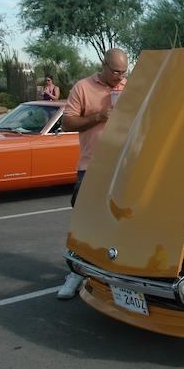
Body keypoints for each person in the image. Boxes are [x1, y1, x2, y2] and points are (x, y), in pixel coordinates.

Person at [57, 47, 128, 300]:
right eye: (116, 72)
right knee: (85, 221)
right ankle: (76, 272)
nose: (120, 77)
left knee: (122, 221)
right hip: (92, 166)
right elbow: (67, 123)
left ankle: (120, 274)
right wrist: (98, 116)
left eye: (124, 72)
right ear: (104, 65)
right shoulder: (83, 87)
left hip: (124, 165)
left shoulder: (130, 87)